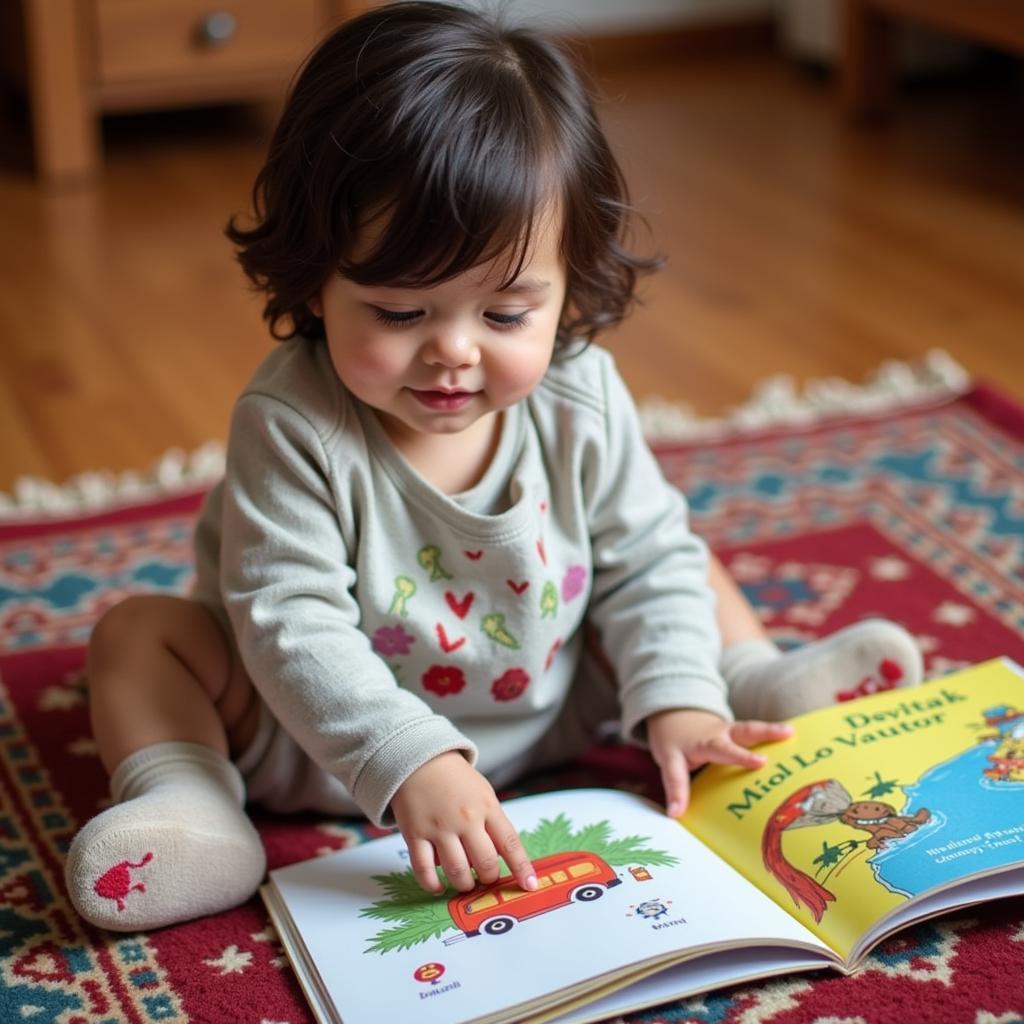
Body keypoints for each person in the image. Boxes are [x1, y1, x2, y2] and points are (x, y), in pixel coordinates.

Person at [64, 0, 922, 932]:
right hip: (308, 741)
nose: (454, 353)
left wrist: (674, 696)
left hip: (552, 697)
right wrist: (412, 757)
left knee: (676, 556)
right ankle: (191, 801)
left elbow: (647, 564)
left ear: (571, 281)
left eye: (507, 315)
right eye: (400, 313)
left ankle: (740, 688)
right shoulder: (290, 423)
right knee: (140, 638)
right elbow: (290, 627)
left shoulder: (582, 392)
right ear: (316, 276)